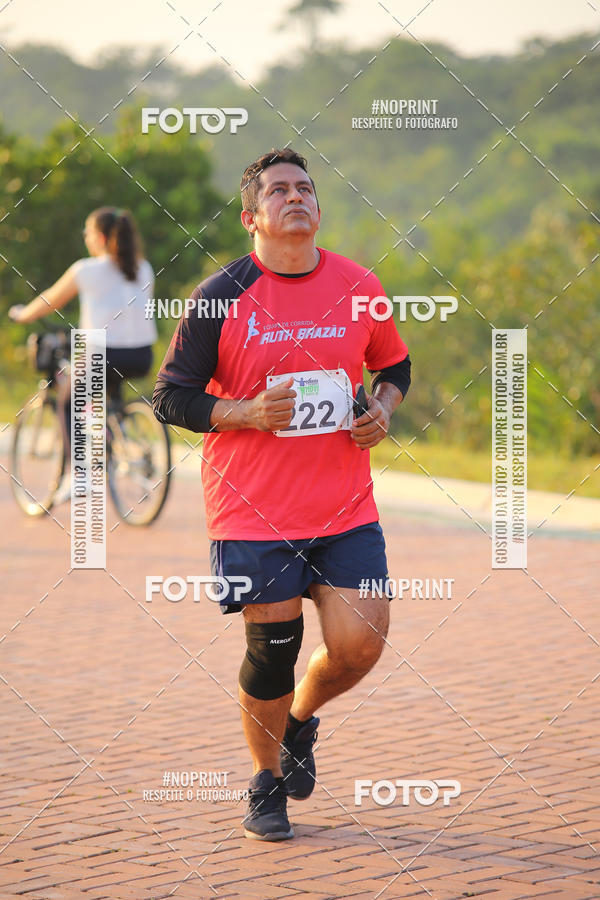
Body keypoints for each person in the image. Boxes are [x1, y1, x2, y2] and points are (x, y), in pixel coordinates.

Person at [152, 149, 411, 841]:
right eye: (278, 191)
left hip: (345, 507)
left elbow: (395, 364)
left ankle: (297, 722)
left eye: (305, 189)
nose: (294, 197)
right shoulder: (219, 296)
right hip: (253, 508)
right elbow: (170, 398)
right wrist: (245, 413)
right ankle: (265, 781)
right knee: (273, 649)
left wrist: (383, 408)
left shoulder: (360, 284)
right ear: (252, 217)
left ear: (317, 209)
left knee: (361, 645)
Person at [9, 207, 158, 502]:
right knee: (99, 394)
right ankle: (112, 432)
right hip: (141, 356)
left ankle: (77, 477)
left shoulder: (86, 269)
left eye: (87, 232)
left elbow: (50, 300)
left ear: (100, 237)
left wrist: (22, 314)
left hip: (103, 355)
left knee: (68, 401)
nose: (85, 237)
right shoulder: (143, 267)